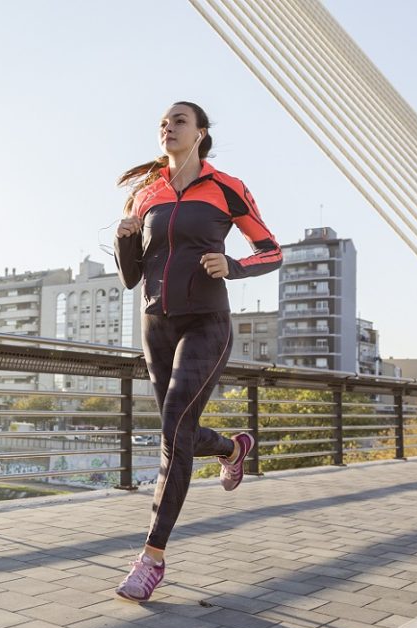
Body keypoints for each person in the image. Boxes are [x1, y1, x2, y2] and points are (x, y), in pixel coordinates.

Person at [113, 101, 283, 602]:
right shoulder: (147, 195)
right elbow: (131, 277)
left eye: (179, 120)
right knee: (178, 427)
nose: (168, 126)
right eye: (163, 122)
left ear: (200, 133)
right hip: (155, 325)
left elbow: (270, 249)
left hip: (207, 322)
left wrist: (233, 266)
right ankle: (232, 448)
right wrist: (124, 241)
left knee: (172, 427)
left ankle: (152, 558)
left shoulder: (226, 187)